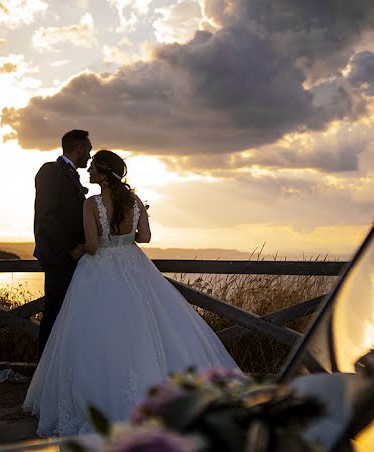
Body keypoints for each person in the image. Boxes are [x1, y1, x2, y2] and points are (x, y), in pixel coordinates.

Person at [24, 150, 240, 436]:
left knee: (98, 333)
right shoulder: (136, 202)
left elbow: (91, 246)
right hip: (134, 265)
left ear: (103, 173)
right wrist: (127, 235)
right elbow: (145, 237)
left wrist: (83, 247)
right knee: (143, 328)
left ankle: (102, 396)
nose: (89, 172)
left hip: (99, 270)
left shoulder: (92, 204)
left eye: (93, 169)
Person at [33, 129, 92, 358]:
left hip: (73, 257)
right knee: (54, 315)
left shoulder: (72, 175)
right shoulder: (51, 171)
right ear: (80, 148)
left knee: (70, 316)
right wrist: (72, 246)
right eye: (89, 150)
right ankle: (44, 373)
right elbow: (45, 217)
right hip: (59, 257)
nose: (89, 155)